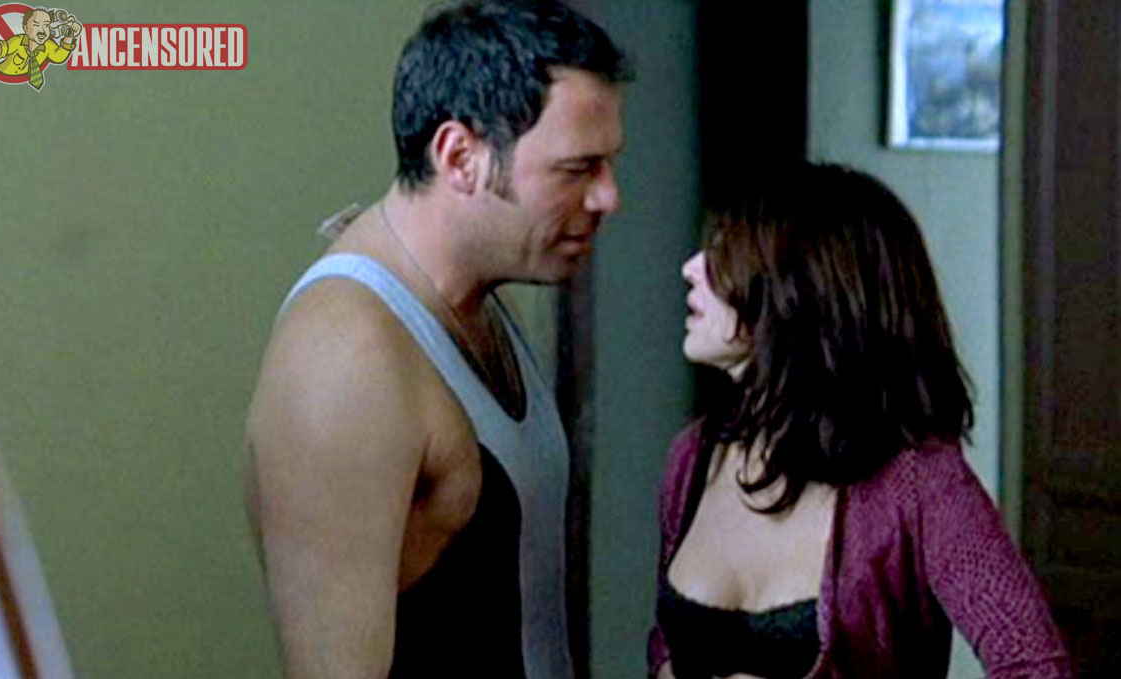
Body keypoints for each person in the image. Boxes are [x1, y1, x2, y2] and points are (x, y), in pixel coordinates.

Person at [245, 2, 630, 678]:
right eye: (577, 169)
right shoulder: (345, 355)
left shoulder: (478, 297)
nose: (607, 198)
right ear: (460, 157)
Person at [648, 164, 1072, 679]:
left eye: (724, 254)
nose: (691, 268)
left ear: (801, 289)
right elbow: (664, 642)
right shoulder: (693, 457)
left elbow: (1037, 668)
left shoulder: (920, 482)